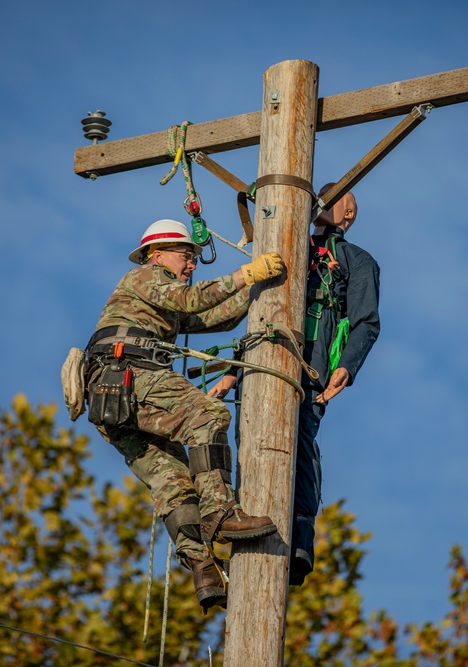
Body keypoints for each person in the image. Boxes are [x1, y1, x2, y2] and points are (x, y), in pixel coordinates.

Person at [85, 218, 286, 612]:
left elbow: (215, 315)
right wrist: (247, 273)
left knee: (172, 478)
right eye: (185, 256)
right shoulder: (145, 276)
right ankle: (220, 513)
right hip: (129, 379)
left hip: (112, 403)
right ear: (156, 253)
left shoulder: (161, 298)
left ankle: (202, 566)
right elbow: (192, 300)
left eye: (193, 258)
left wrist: (262, 287)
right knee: (206, 414)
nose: (191, 265)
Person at [210, 185, 380, 586]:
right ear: (321, 201)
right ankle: (242, 523)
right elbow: (261, 312)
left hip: (312, 360)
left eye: (356, 209)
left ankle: (298, 538)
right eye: (344, 204)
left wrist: (348, 367)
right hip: (263, 356)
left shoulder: (356, 261)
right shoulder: (283, 246)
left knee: (299, 433)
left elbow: (366, 322)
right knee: (250, 434)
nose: (351, 213)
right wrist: (232, 371)